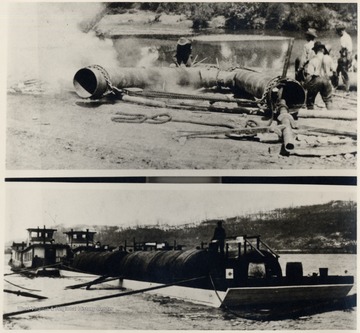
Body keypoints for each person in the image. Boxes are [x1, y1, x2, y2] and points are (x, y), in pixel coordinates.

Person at [303, 42, 334, 110]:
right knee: (328, 100)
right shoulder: (328, 58)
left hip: (316, 80)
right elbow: (334, 71)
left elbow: (309, 75)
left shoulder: (312, 60)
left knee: (310, 100)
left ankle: (310, 114)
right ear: (323, 50)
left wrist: (305, 85)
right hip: (326, 80)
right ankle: (331, 114)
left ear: (315, 50)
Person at [335, 24, 353, 93]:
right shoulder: (348, 36)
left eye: (338, 32)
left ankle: (346, 89)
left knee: (343, 72)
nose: (338, 34)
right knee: (339, 71)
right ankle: (337, 85)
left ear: (341, 31)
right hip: (349, 55)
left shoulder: (343, 38)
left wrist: (340, 52)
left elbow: (343, 48)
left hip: (344, 57)